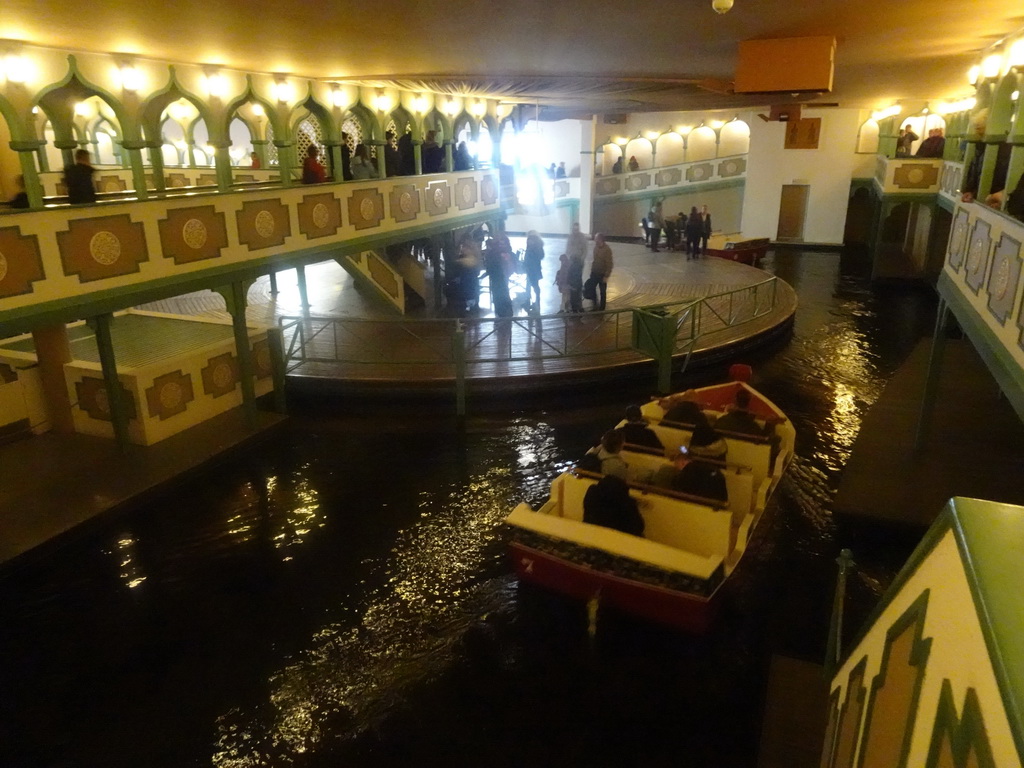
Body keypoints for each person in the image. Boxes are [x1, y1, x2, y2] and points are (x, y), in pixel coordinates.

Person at [961, 110, 1012, 207]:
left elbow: (998, 176)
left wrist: (977, 194)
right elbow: (974, 172)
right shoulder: (979, 147)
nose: (979, 135)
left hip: (991, 199)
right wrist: (969, 191)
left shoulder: (1003, 149)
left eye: (981, 131)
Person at [565, 223, 588, 313]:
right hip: (572, 262)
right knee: (572, 284)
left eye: (577, 229)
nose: (575, 231)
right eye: (574, 230)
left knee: (578, 283)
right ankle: (573, 304)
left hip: (579, 262)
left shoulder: (582, 237)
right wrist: (569, 259)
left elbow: (585, 249)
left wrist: (582, 259)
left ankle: (579, 304)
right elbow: (568, 249)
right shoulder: (570, 237)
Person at [588, 233, 613, 311]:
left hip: (602, 274)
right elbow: (595, 260)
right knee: (592, 288)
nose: (594, 240)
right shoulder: (596, 247)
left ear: (600, 239)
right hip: (595, 272)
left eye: (596, 238)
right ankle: (595, 304)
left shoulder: (607, 250)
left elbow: (609, 263)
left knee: (602, 291)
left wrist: (606, 276)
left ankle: (602, 308)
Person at [524, 231, 544, 310]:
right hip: (532, 269)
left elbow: (535, 258)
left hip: (533, 269)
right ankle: (531, 299)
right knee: (530, 285)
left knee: (534, 285)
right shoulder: (534, 247)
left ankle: (536, 300)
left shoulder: (534, 249)